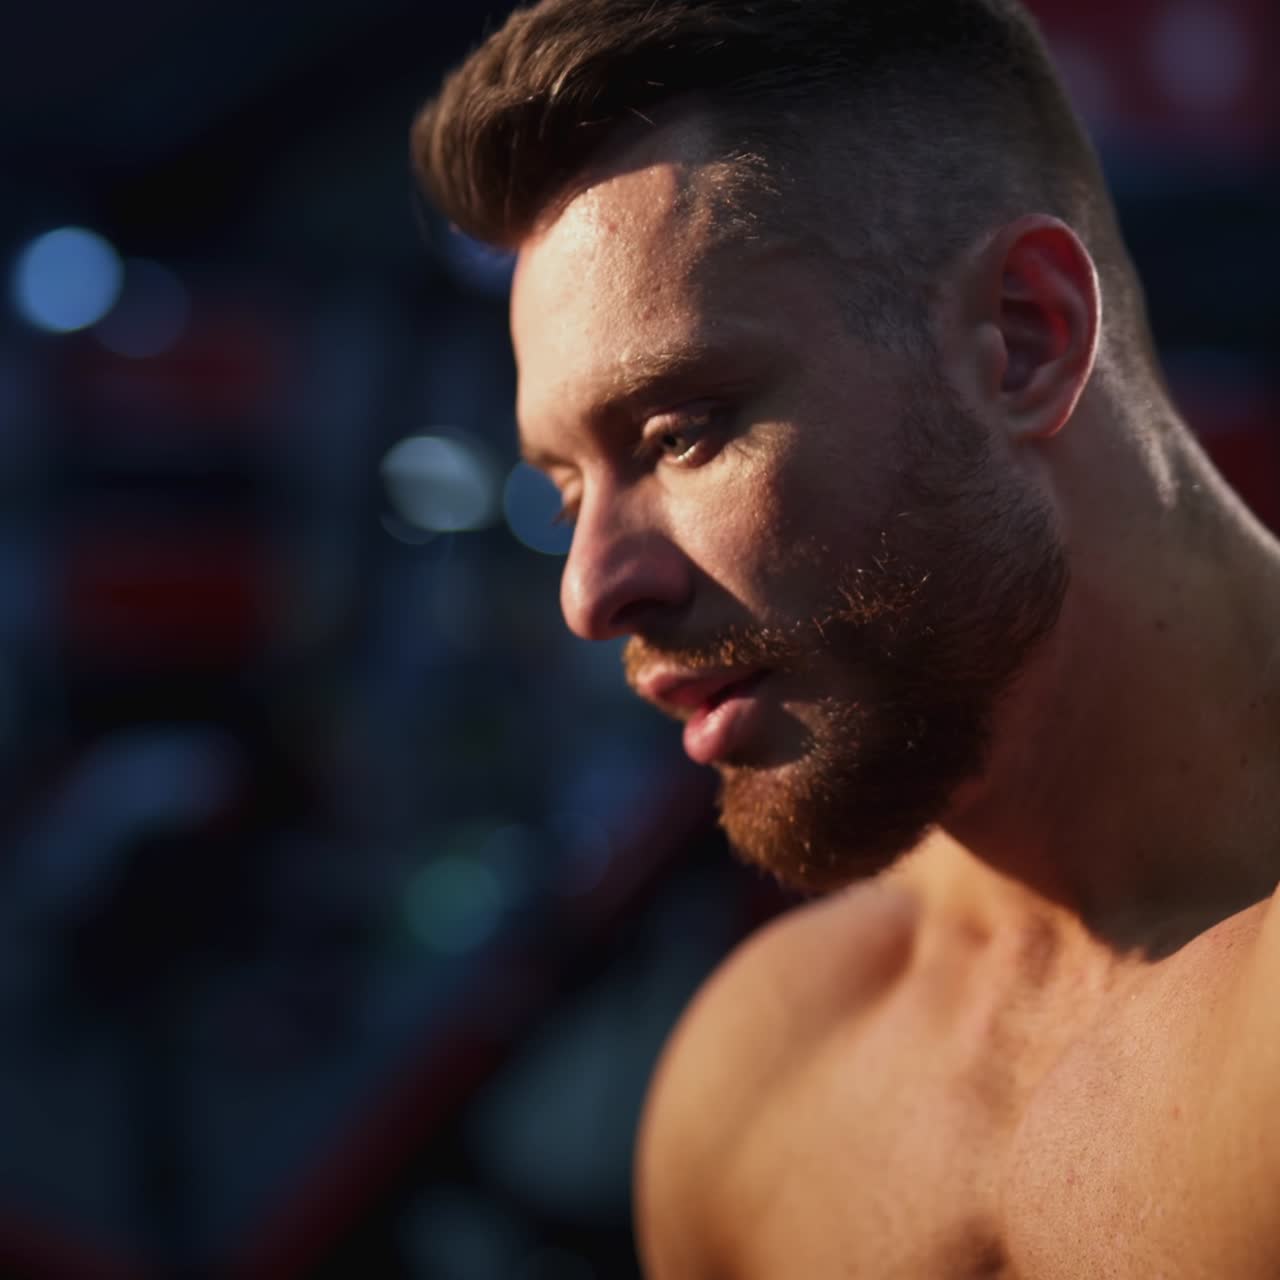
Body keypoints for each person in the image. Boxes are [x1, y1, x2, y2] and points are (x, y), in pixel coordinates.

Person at [411, 2, 1280, 1274]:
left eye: (681, 431)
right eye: (562, 488)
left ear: (1023, 340)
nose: (589, 591)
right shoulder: (756, 1068)